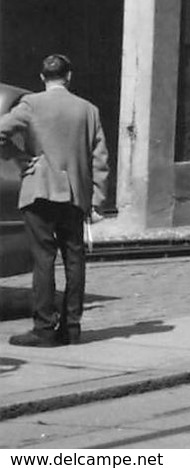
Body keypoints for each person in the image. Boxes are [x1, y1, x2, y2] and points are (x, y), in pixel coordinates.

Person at [0, 54, 109, 346]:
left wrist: (20, 158)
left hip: (39, 190)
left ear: (42, 78)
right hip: (74, 194)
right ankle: (72, 327)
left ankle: (44, 328)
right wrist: (97, 200)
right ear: (69, 76)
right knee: (75, 259)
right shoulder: (88, 110)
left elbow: (0, 130)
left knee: (43, 260)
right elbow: (100, 159)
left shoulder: (31, 104)